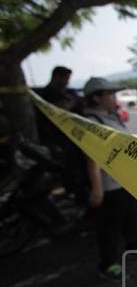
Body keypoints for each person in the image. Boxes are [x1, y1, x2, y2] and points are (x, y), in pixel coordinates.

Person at [83, 77, 137, 280]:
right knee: (110, 224)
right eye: (109, 94)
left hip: (124, 179)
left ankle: (134, 244)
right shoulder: (92, 123)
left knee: (129, 214)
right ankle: (108, 264)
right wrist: (97, 188)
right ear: (96, 98)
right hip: (109, 183)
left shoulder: (112, 117)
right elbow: (92, 157)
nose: (114, 98)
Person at [36, 65, 87, 204]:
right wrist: (73, 102)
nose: (68, 82)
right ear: (57, 77)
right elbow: (57, 112)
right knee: (71, 170)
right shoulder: (47, 94)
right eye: (66, 78)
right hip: (60, 139)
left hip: (75, 137)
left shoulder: (66, 92)